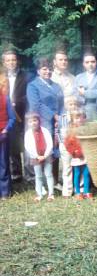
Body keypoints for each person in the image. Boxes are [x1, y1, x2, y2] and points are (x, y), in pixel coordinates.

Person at [2, 50, 31, 182]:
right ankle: (16, 174)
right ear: (4, 62)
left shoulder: (26, 76)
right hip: (8, 117)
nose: (11, 63)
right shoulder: (1, 77)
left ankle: (30, 174)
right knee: (12, 144)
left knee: (26, 144)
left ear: (17, 61)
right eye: (8, 60)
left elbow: (29, 95)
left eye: (13, 60)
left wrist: (16, 103)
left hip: (24, 114)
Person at [26, 58, 64, 132]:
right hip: (43, 121)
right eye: (44, 69)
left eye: (50, 69)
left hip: (59, 121)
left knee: (59, 142)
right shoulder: (32, 86)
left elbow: (62, 104)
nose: (48, 71)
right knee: (47, 142)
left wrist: (60, 118)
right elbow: (36, 105)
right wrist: (53, 116)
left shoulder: (57, 85)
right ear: (38, 71)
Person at [24, 112, 54, 201]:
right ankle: (39, 194)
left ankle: (51, 194)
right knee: (38, 176)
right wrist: (37, 156)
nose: (33, 123)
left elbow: (50, 143)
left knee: (48, 174)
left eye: (35, 120)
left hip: (47, 156)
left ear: (39, 121)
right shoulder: (28, 134)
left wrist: (45, 155)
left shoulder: (45, 131)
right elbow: (28, 146)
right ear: (27, 123)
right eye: (30, 121)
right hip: (35, 157)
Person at [63, 110, 92, 200]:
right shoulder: (71, 131)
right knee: (77, 174)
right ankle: (78, 192)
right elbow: (67, 144)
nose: (79, 120)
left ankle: (86, 191)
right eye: (76, 118)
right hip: (76, 157)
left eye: (81, 117)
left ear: (84, 118)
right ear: (72, 120)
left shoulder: (86, 129)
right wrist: (74, 152)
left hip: (85, 156)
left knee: (86, 173)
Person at [57, 95, 80, 197]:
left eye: (75, 104)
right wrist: (64, 144)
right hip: (66, 145)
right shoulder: (63, 118)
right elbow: (59, 132)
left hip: (78, 145)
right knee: (67, 168)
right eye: (71, 104)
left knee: (79, 166)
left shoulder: (80, 116)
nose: (73, 106)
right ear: (66, 106)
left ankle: (79, 188)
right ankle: (67, 190)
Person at [74, 53, 97, 121]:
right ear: (83, 64)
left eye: (93, 62)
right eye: (87, 62)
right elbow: (75, 94)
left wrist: (85, 93)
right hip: (80, 114)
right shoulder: (78, 77)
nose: (90, 64)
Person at [0, 72, 16, 199]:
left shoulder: (5, 99)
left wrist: (6, 129)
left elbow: (12, 118)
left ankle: (5, 191)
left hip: (2, 135)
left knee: (4, 163)